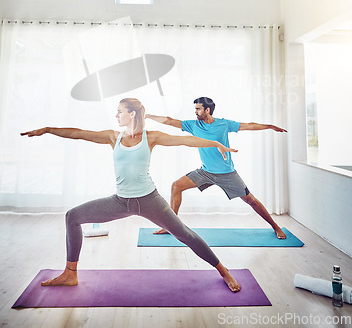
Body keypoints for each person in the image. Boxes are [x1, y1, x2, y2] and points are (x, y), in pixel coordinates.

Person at [21, 97, 241, 292]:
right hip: (120, 201)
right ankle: (70, 273)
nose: (116, 115)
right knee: (72, 216)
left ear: (132, 114)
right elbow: (78, 134)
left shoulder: (151, 137)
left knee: (185, 234)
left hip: (150, 201)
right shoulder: (113, 137)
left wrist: (215, 143)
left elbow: (186, 140)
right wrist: (49, 129)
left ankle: (223, 271)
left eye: (119, 111)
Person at [146, 96, 287, 239]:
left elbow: (249, 125)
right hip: (206, 172)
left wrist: (269, 126)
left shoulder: (224, 124)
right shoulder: (194, 125)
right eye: (195, 109)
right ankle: (172, 227)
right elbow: (170, 121)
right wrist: (149, 116)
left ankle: (276, 227)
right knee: (176, 186)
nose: (195, 112)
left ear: (207, 110)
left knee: (251, 201)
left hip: (227, 174)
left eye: (198, 109)